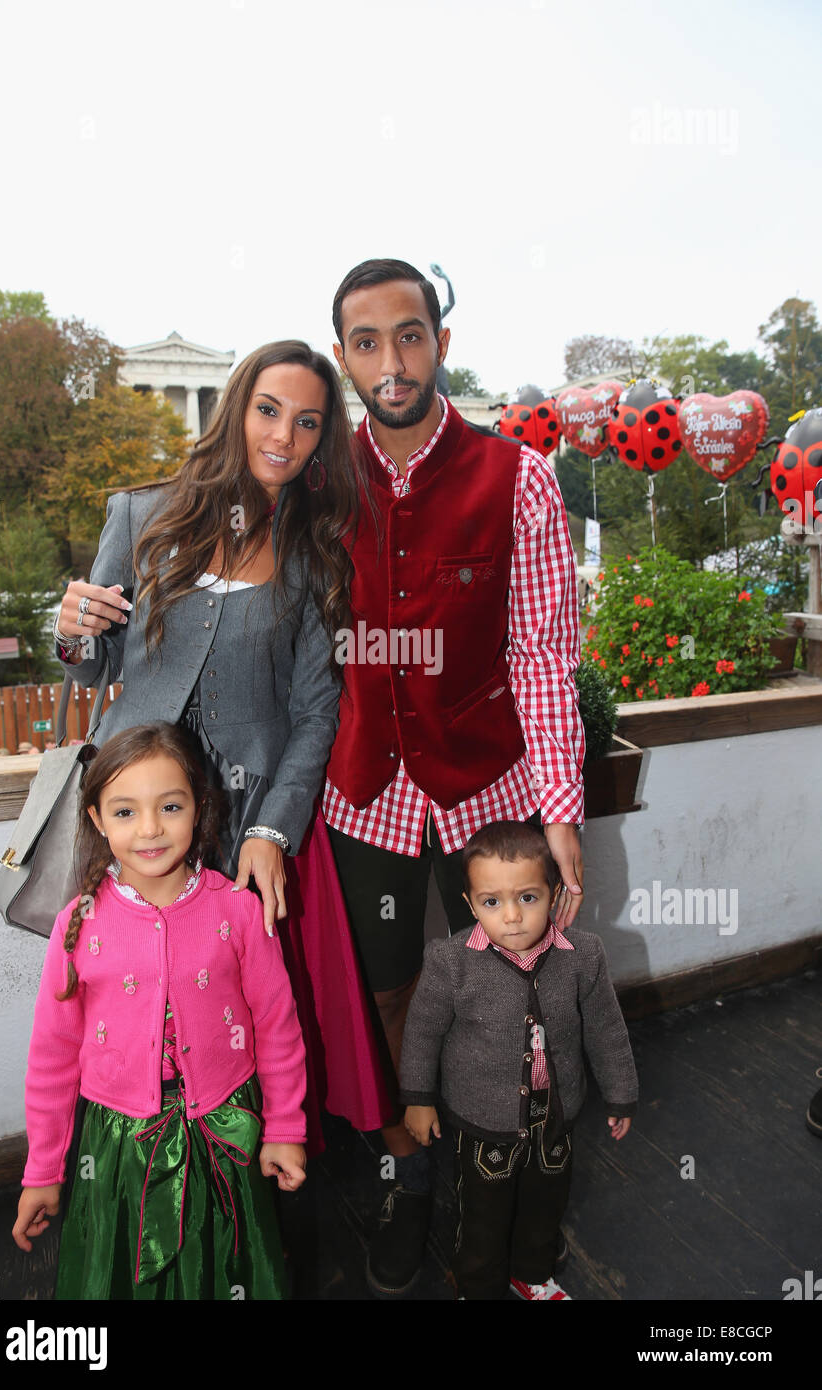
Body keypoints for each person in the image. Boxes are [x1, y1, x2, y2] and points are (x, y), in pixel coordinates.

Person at [50, 340, 390, 1150]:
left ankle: (234, 1185)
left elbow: (316, 711)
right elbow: (93, 663)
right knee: (128, 1008)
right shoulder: (140, 515)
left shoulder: (311, 554)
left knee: (232, 1020)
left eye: (308, 423)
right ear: (236, 407)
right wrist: (69, 631)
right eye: (268, 410)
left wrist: (274, 831)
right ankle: (131, 1174)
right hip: (135, 822)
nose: (284, 436)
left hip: (247, 826)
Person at [323, 258, 586, 1293]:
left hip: (487, 789)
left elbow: (539, 653)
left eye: (410, 334)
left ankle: (501, 1191)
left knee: (503, 1001)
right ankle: (407, 1177)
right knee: (389, 1002)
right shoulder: (315, 478)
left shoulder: (515, 475)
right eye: (366, 340)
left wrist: (557, 811)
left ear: (438, 339)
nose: (392, 362)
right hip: (362, 797)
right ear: (343, 353)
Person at [12, 722, 307, 1299]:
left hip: (226, 1135)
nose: (149, 829)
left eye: (169, 806)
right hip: (117, 1152)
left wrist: (285, 1129)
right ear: (97, 820)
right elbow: (52, 1058)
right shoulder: (79, 925)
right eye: (125, 812)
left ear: (199, 808)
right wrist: (44, 1171)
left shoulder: (240, 912)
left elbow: (277, 1027)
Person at [400, 820, 637, 1302]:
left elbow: (606, 1029)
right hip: (482, 1122)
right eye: (492, 902)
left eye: (527, 897)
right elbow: (422, 1033)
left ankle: (531, 1274)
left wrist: (621, 1094)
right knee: (483, 1216)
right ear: (469, 904)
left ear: (553, 895)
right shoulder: (451, 961)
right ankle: (478, 1286)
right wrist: (418, 1099)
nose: (511, 917)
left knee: (544, 1207)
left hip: (556, 1118)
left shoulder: (583, 955)